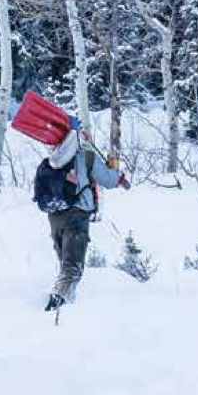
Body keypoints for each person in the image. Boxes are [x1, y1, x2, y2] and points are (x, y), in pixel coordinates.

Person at [34, 114, 127, 312]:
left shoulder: (49, 162)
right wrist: (114, 168)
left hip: (55, 217)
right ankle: (55, 308)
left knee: (65, 264)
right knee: (73, 267)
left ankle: (67, 308)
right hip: (77, 217)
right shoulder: (86, 158)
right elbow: (110, 181)